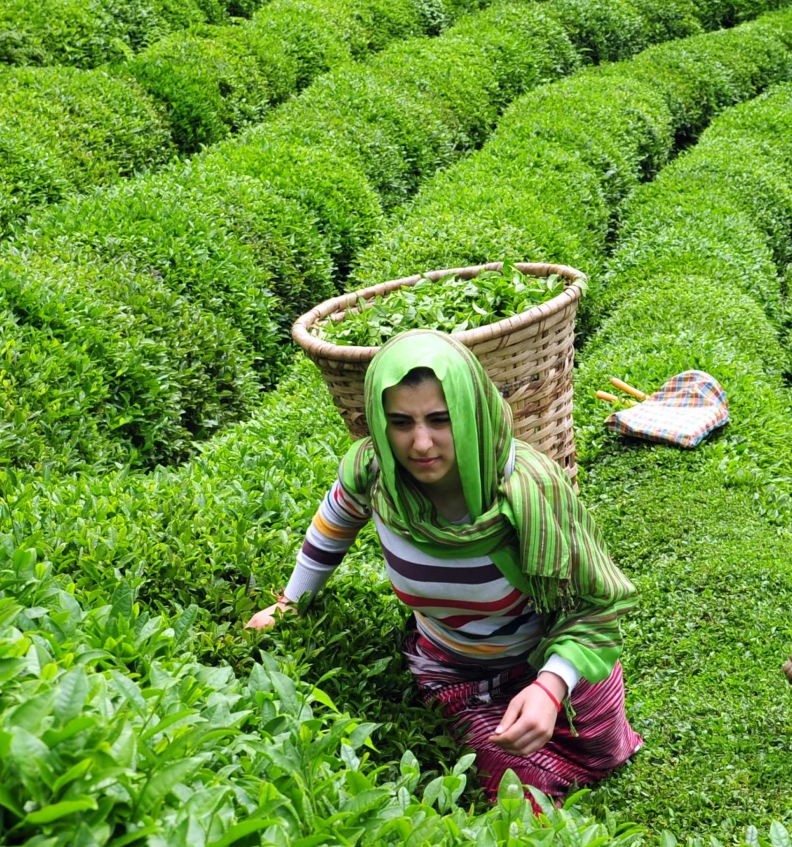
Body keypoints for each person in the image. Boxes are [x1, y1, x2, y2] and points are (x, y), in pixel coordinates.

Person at [248, 330, 642, 807]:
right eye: (400, 422)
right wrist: (290, 603)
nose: (420, 443)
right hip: (455, 670)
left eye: (441, 419)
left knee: (600, 748)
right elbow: (331, 527)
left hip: (544, 654)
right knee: (513, 790)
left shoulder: (530, 491)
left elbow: (594, 607)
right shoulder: (376, 476)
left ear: (472, 414)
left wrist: (551, 683)